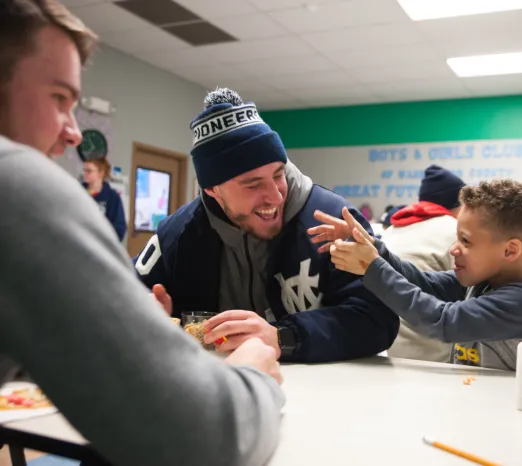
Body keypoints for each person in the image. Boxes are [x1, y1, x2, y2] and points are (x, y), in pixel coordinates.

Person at [0, 2, 284, 465]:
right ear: (212, 189)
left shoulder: (322, 215)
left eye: (277, 176)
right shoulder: (16, 185)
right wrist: (251, 369)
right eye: (58, 98)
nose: (74, 133)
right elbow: (204, 438)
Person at [133, 87, 399, 363]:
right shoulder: (177, 236)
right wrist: (143, 312)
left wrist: (284, 337)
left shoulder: (335, 221)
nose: (275, 196)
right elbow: (124, 293)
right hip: (221, 395)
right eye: (252, 184)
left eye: (277, 174)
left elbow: (379, 318)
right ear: (212, 189)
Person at [310, 180, 522, 371]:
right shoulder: (485, 281)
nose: (454, 249)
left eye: (466, 241)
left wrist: (372, 267)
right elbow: (424, 283)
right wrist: (374, 248)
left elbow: (442, 321)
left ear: (510, 250)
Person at [380, 165, 464, 363]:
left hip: (387, 350)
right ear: (456, 204)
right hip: (437, 357)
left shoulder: (391, 230)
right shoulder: (455, 230)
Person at [82, 156, 126, 241]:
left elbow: (119, 229)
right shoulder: (78, 191)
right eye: (84, 170)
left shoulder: (113, 197)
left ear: (100, 173)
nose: (85, 173)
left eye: (89, 171)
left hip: (100, 246)